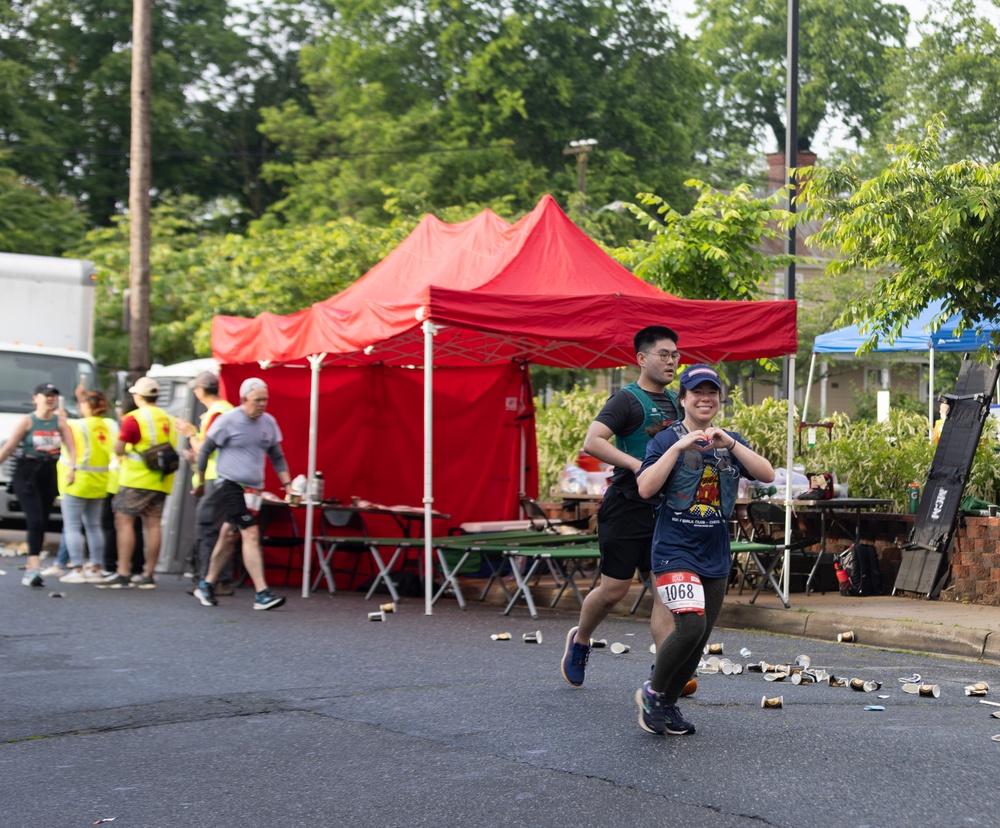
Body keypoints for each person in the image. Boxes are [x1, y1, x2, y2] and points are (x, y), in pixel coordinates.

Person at [634, 364, 774, 735]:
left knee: (700, 637)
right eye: (697, 392)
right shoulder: (666, 440)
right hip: (674, 550)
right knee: (690, 623)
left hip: (715, 553)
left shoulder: (730, 441)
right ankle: (653, 692)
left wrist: (730, 443)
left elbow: (767, 474)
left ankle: (667, 705)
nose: (705, 398)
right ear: (683, 399)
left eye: (712, 392)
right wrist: (679, 445)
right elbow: (646, 488)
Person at [560, 326, 682, 687]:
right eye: (664, 354)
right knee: (614, 590)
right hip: (626, 505)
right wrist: (634, 464)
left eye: (675, 355)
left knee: (663, 590)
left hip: (663, 508)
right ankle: (580, 640)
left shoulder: (677, 401)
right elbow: (592, 441)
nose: (672, 361)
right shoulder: (625, 400)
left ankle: (664, 673)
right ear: (642, 359)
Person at [192, 377, 292, 611]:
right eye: (257, 400)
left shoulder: (268, 422)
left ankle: (206, 584)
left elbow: (277, 456)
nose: (262, 404)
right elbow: (205, 448)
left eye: (265, 400)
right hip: (230, 484)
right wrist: (199, 480)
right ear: (244, 399)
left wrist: (287, 485)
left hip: (253, 489)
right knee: (251, 533)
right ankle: (262, 593)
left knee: (229, 535)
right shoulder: (228, 420)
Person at [101, 376, 177, 589]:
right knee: (153, 524)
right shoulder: (169, 419)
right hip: (162, 480)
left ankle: (123, 571)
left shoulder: (133, 418)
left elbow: (119, 448)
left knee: (124, 522)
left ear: (137, 396)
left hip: (135, 479)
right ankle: (148, 573)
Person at [0, 382, 76, 587]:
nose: (50, 398)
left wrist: (73, 467)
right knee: (34, 520)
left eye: (53, 395)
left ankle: (33, 564)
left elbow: (72, 447)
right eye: (46, 395)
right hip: (27, 474)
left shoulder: (60, 422)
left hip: (48, 474)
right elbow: (9, 448)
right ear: (35, 398)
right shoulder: (27, 421)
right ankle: (33, 567)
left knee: (42, 520)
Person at [175, 371, 235, 593]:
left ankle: (211, 581)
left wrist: (191, 434)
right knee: (221, 530)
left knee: (208, 529)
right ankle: (220, 580)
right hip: (221, 477)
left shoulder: (217, 413)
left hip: (215, 478)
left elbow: (206, 450)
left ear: (200, 390)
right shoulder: (224, 410)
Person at [56, 391, 113, 583]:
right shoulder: (106, 426)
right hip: (99, 480)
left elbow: (63, 432)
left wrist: (62, 417)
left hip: (77, 479)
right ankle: (96, 567)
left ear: (87, 406)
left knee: (72, 526)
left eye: (81, 403)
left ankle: (78, 568)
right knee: (94, 526)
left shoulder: (78, 425)